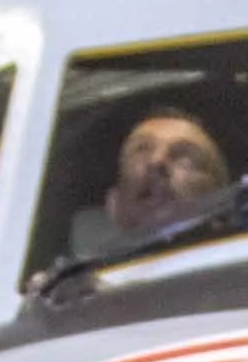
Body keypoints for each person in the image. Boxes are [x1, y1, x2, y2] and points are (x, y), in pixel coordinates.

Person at [79, 106, 235, 257]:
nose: (156, 161)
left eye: (185, 158)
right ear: (114, 205)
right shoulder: (81, 282)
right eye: (141, 150)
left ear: (221, 203)